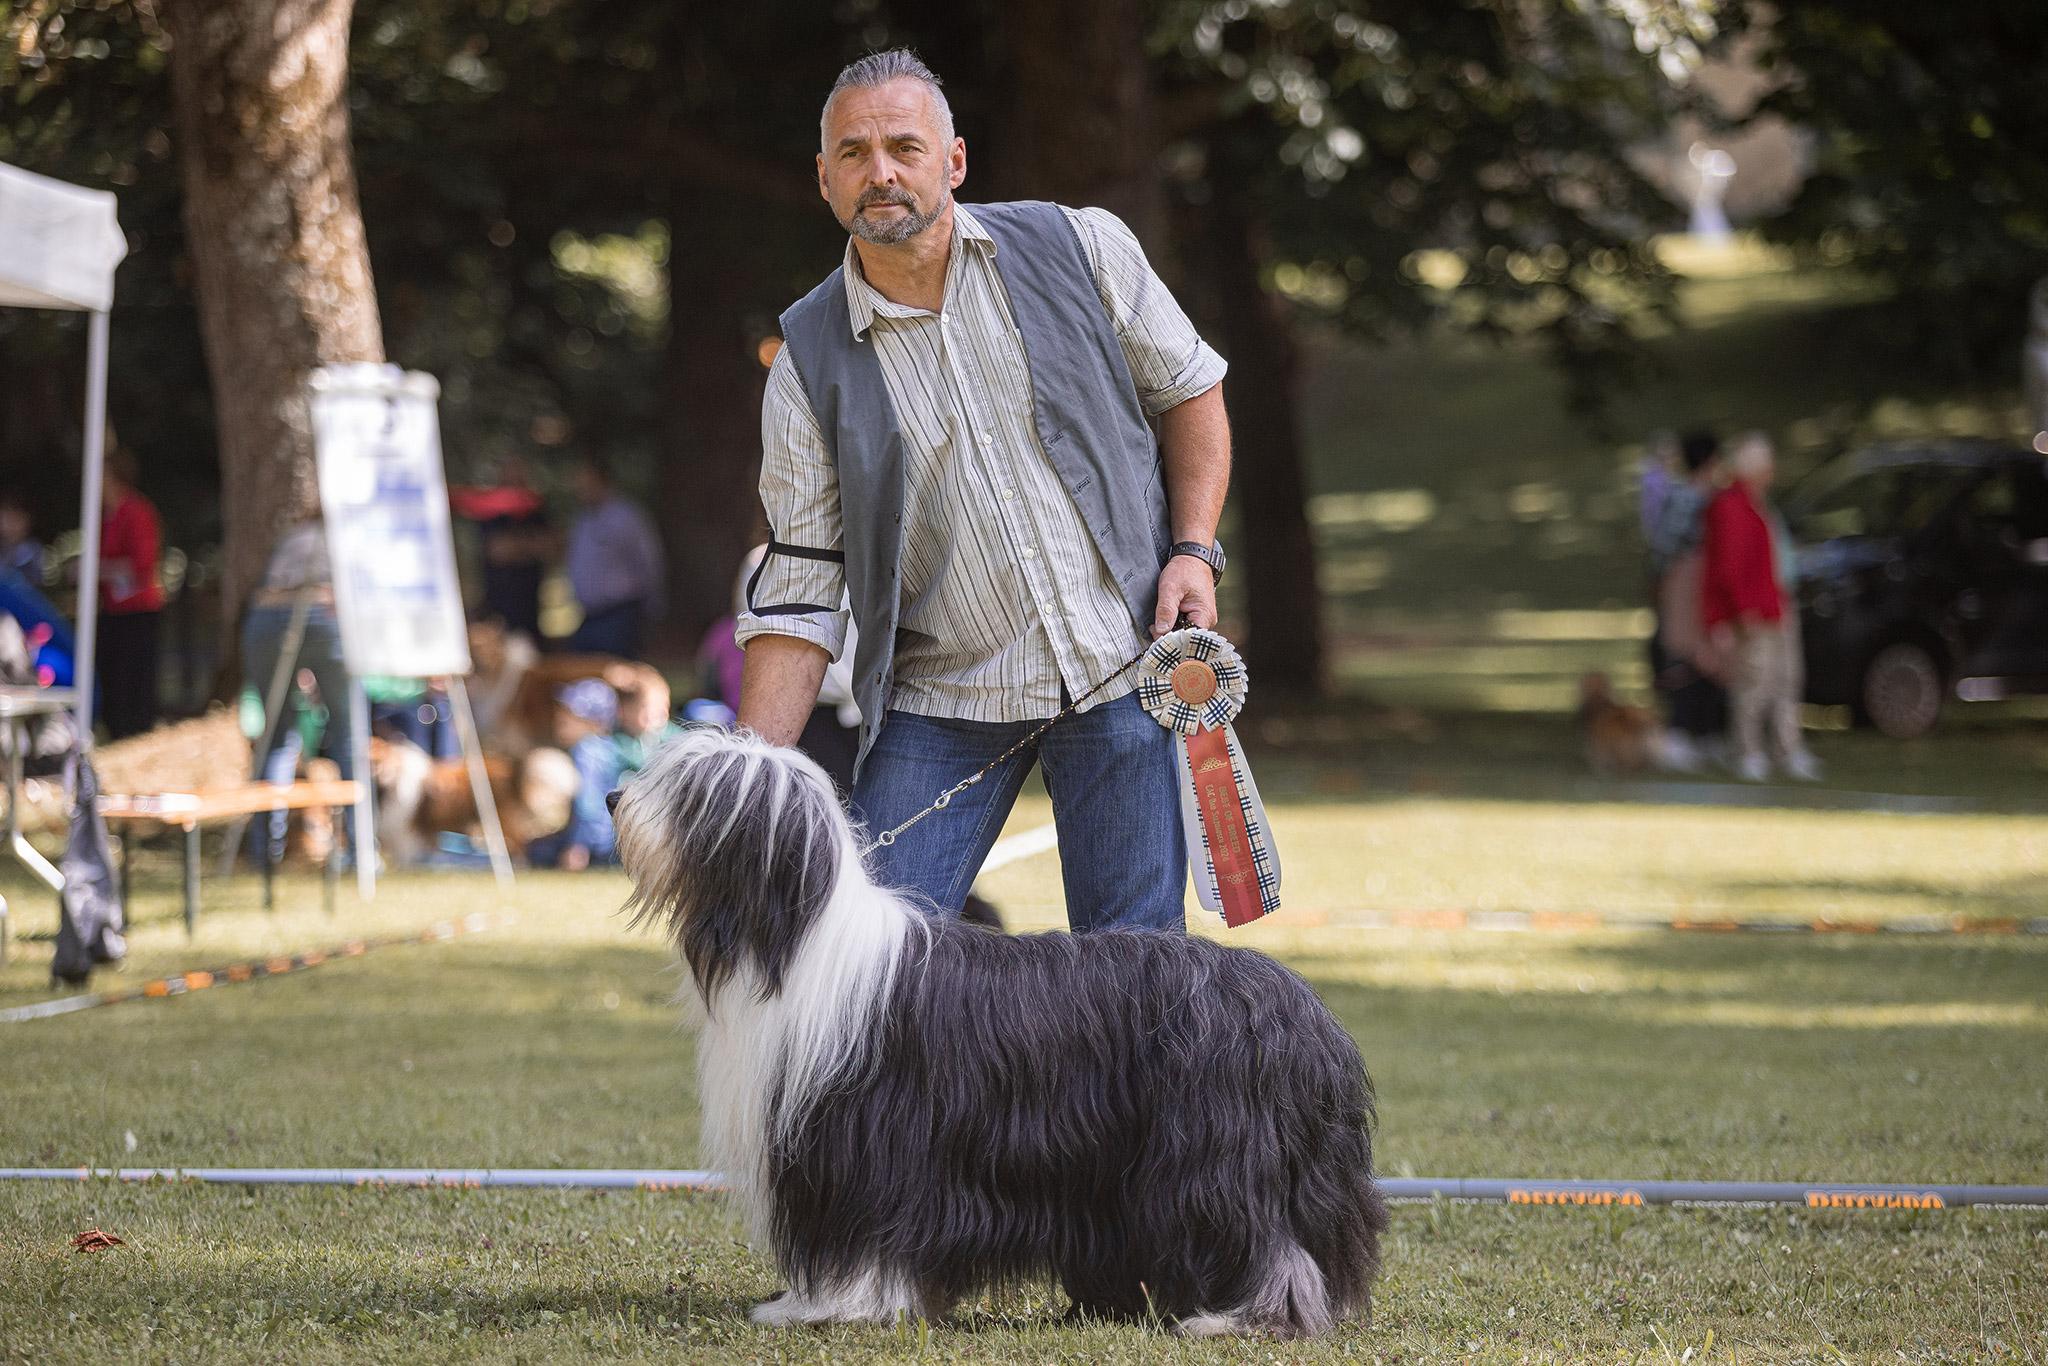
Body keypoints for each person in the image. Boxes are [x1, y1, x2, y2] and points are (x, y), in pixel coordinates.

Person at [736, 50, 1231, 932]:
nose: (879, 172)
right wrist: (748, 781)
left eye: (903, 146)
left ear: (953, 161)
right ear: (823, 179)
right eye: (852, 153)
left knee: (1135, 979)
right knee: (867, 970)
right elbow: (801, 586)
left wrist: (1194, 547)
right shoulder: (806, 366)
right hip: (942, 701)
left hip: (1116, 668)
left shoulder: (1083, 246)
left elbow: (1190, 389)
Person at [1704, 433, 1822, 782]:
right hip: (1754, 612)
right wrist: (1739, 612)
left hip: (1777, 604)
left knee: (1787, 678)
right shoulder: (1731, 505)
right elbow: (1730, 565)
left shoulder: (1757, 503)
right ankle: (1748, 750)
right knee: (1754, 683)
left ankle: (1789, 748)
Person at [1648, 431, 1730, 770]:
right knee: (1685, 657)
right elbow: (1665, 547)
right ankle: (1680, 735)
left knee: (1710, 657)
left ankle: (1706, 731)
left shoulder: (1701, 497)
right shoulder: (1690, 498)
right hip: (1686, 586)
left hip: (1701, 586)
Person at [95, 446, 165, 739]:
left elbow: (142, 564)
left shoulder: (137, 511)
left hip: (138, 609)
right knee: (112, 671)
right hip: (113, 608)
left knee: (135, 673)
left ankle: (138, 729)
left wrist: (99, 570)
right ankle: (116, 728)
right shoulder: (105, 515)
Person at [564, 457, 664, 658]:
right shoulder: (583, 520)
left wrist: (652, 606)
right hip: (589, 615)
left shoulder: (626, 517)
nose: (579, 487)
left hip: (620, 614)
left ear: (601, 480)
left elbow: (649, 560)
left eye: (585, 481)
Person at [450, 454, 553, 640]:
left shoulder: (534, 508)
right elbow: (498, 550)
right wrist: (527, 546)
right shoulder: (491, 511)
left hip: (529, 608)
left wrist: (517, 546)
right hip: (498, 610)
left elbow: (548, 546)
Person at [527, 679, 623, 870]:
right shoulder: (608, 748)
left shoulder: (586, 751)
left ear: (596, 723)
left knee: (535, 851)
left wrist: (578, 847)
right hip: (611, 839)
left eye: (570, 716)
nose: (560, 718)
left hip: (594, 842)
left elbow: (588, 803)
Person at [0, 490, 44, 586]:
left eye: (17, 519)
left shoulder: (32, 549)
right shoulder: (3, 548)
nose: (11, 525)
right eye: (7, 518)